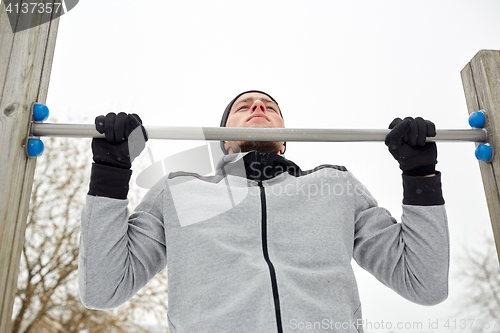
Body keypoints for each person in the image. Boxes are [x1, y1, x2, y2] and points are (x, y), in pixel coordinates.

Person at [79, 90, 449, 333]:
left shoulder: (334, 187)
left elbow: (423, 284)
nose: (259, 107)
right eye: (245, 106)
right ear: (223, 139)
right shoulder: (179, 192)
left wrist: (421, 176)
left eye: (270, 107)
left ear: (286, 138)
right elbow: (104, 289)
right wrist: (111, 176)